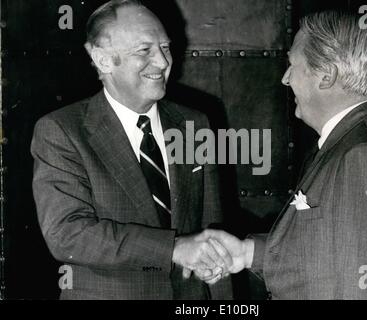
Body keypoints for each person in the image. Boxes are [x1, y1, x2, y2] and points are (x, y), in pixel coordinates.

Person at [196, 10, 367, 299]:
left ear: (326, 76)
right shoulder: (349, 141)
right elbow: (326, 257)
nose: (286, 79)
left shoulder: (363, 156)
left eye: (293, 66)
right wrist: (247, 253)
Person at [31, 0, 232, 300]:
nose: (163, 62)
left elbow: (213, 231)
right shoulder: (62, 131)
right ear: (103, 60)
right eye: (145, 50)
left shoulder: (195, 123)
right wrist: (173, 249)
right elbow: (68, 235)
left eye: (165, 47)